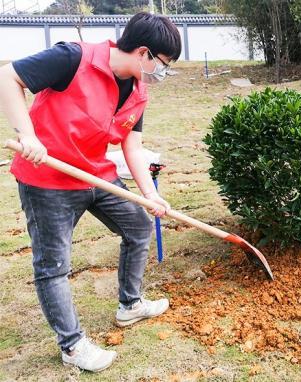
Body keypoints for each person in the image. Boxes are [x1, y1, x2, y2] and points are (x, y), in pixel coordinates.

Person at [0, 12, 181, 372]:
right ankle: (72, 345)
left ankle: (129, 305)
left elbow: (132, 145)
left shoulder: (137, 89)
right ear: (143, 53)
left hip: (95, 174)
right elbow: (7, 75)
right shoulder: (74, 57)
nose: (162, 74)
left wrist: (151, 195)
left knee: (139, 226)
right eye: (162, 65)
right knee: (53, 266)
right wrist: (28, 134)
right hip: (48, 179)